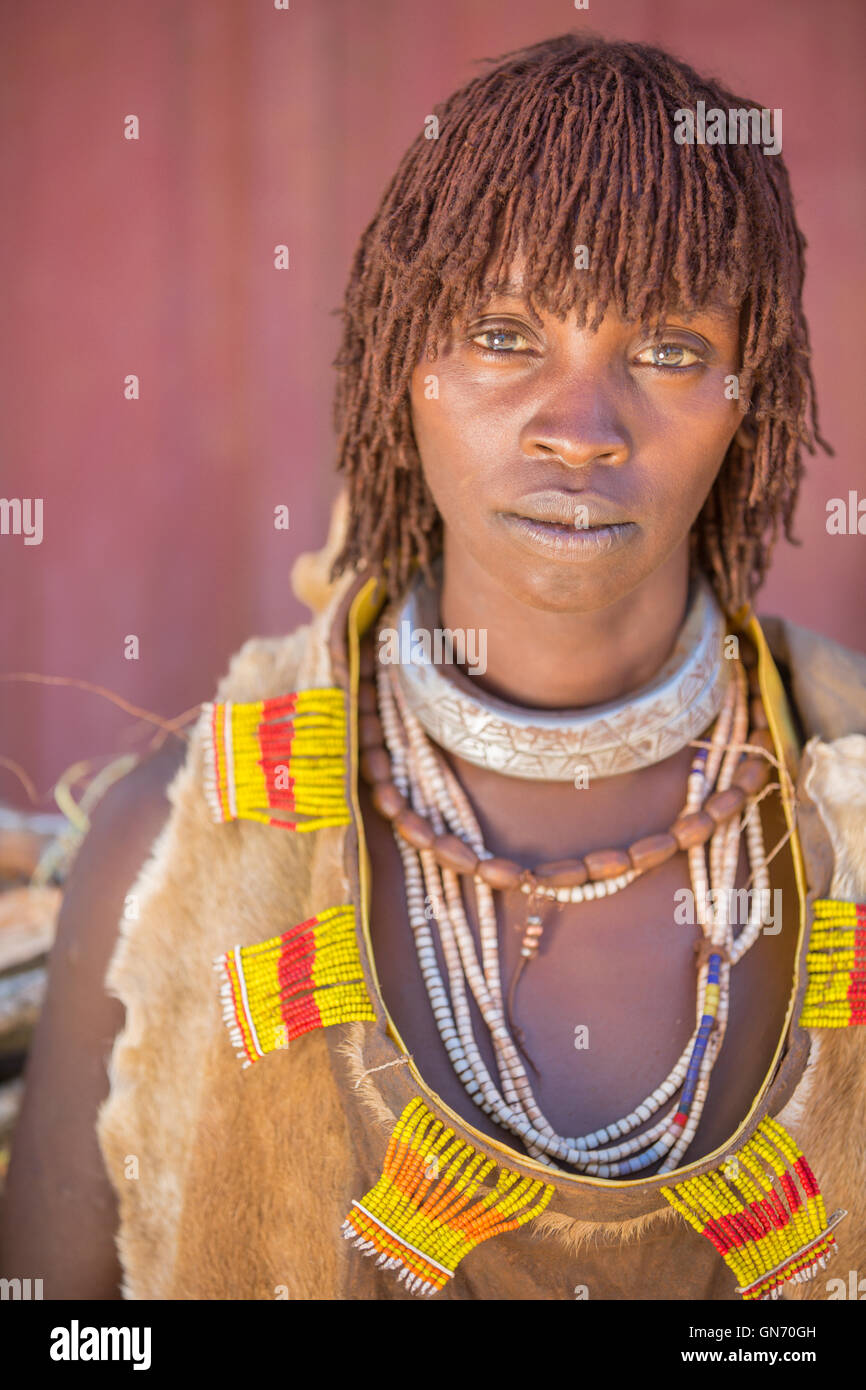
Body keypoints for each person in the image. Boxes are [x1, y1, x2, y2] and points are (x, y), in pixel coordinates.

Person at [2, 32, 865, 1302]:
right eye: (503, 335)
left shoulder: (844, 807)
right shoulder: (181, 855)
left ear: (755, 395)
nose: (578, 431)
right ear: (401, 372)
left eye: (668, 348)